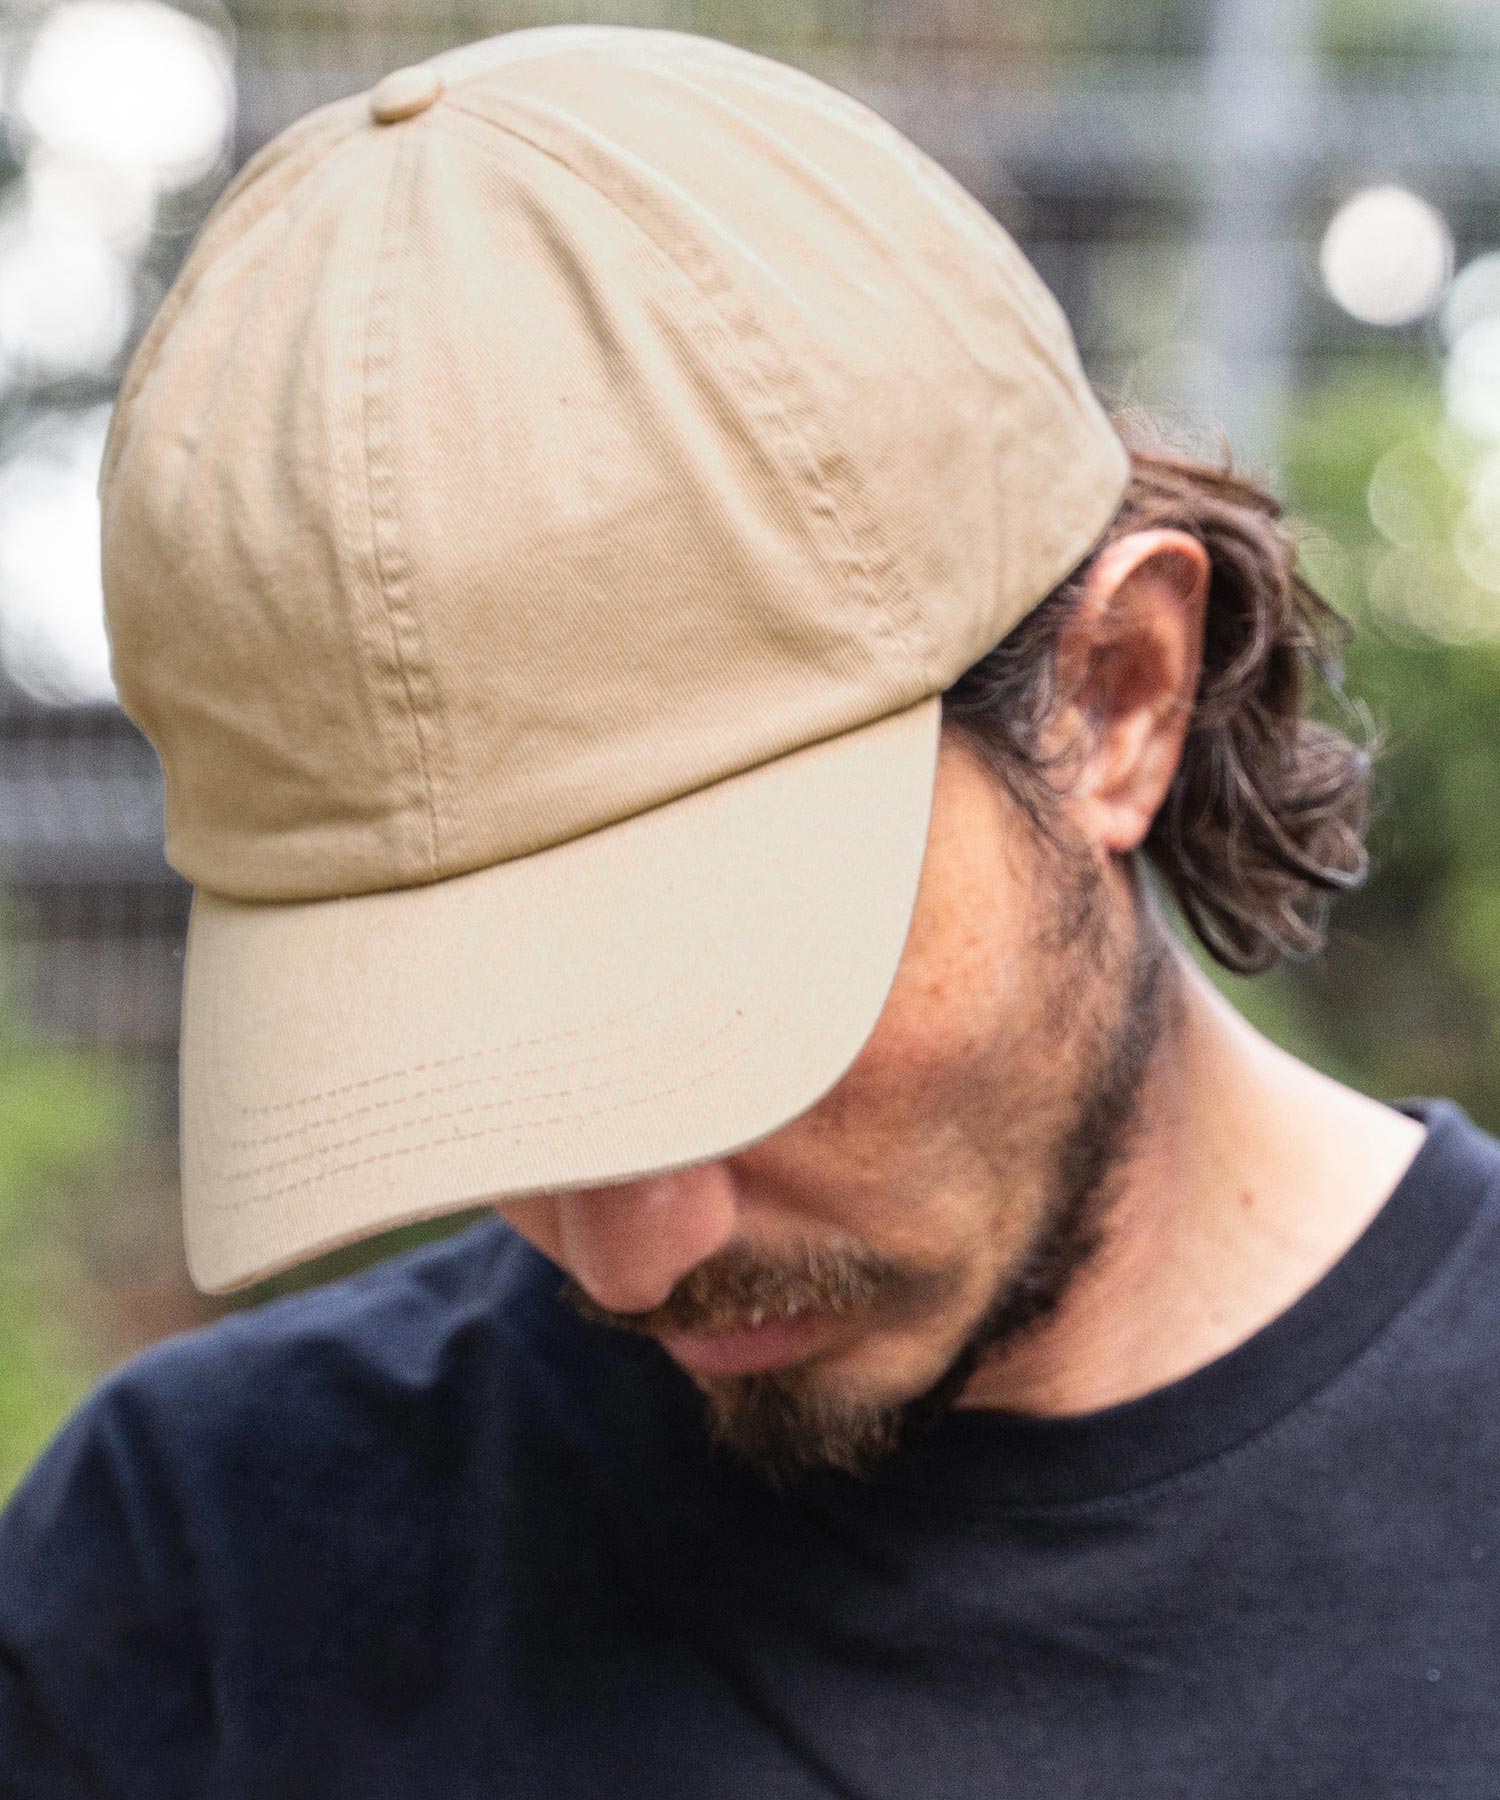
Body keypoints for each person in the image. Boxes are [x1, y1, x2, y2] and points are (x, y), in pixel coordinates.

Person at [3, 21, 1498, 1797]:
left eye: (722, 1014)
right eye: (471, 1072)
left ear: (1115, 698)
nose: (628, 1258)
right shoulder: (196, 1578)